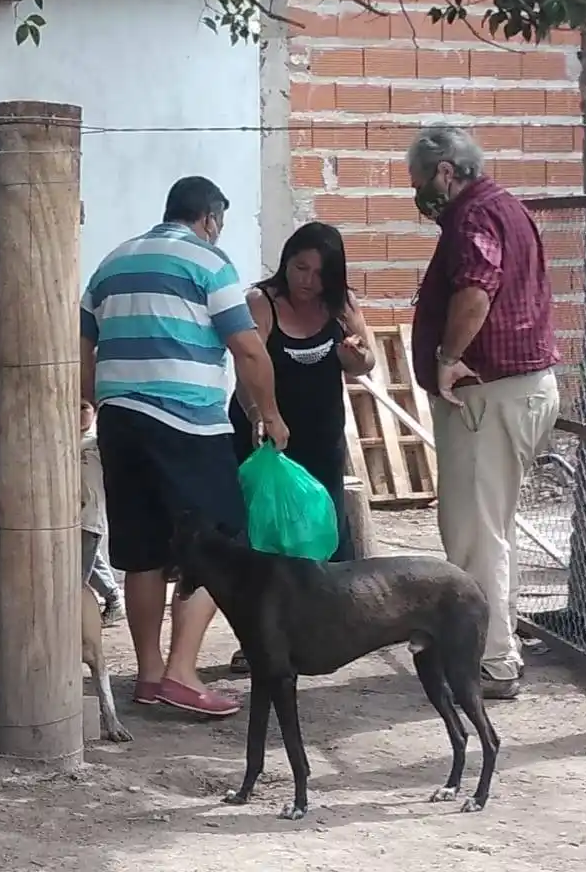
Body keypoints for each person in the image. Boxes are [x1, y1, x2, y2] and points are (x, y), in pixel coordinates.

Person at [79, 175, 289, 718]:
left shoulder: (112, 263)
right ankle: (181, 673)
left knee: (141, 551)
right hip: (187, 426)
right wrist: (268, 414)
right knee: (221, 545)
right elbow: (247, 348)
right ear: (211, 217)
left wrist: (96, 400)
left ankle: (149, 675)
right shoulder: (208, 262)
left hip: (120, 421)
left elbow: (83, 345)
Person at [406, 124, 560, 701]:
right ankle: (495, 648)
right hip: (517, 388)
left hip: (489, 393)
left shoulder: (473, 217)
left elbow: (476, 288)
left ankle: (489, 660)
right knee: (490, 530)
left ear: (446, 170)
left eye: (419, 180)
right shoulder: (506, 207)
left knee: (473, 535)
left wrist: (447, 356)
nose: (418, 193)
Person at [226, 221, 375, 674]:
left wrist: (355, 356)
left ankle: (317, 632)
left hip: (321, 433)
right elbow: (247, 367)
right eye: (300, 267)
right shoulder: (262, 302)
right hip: (267, 435)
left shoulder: (341, 305)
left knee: (319, 530)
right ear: (286, 262)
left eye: (319, 272)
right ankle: (257, 639)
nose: (307, 281)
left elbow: (365, 360)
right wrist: (260, 415)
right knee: (264, 537)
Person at [79, 399, 124, 625]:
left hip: (90, 517)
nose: (77, 414)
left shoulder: (96, 443)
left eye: (83, 407)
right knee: (91, 561)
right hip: (72, 518)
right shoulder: (67, 442)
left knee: (77, 574)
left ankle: (74, 617)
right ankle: (114, 600)